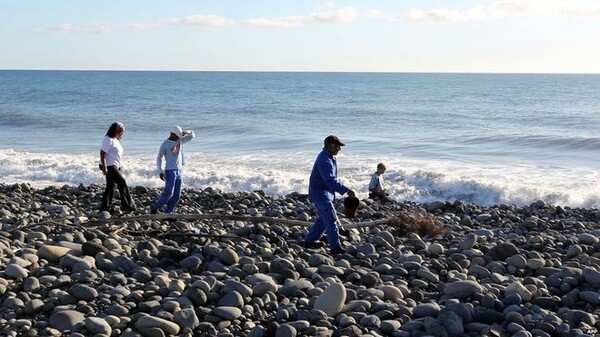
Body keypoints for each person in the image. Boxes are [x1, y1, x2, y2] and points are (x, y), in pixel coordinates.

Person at [304, 135, 355, 255]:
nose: (339, 149)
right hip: (320, 194)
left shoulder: (329, 157)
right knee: (331, 218)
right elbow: (330, 180)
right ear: (329, 145)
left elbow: (330, 180)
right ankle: (335, 247)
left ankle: (309, 241)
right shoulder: (325, 159)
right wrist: (346, 190)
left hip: (323, 193)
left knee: (323, 219)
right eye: (337, 146)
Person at [150, 125, 195, 214]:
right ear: (172, 134)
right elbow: (159, 158)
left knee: (177, 195)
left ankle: (168, 212)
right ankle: (155, 206)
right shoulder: (165, 144)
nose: (178, 138)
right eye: (177, 136)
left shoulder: (180, 140)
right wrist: (160, 171)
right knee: (168, 193)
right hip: (170, 171)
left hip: (179, 170)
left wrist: (185, 132)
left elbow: (192, 136)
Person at [99, 122, 136, 213]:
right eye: (121, 131)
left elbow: (116, 155)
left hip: (114, 165)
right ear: (116, 130)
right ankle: (126, 205)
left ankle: (105, 207)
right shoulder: (108, 139)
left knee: (110, 186)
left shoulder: (115, 140)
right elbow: (102, 153)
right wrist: (105, 167)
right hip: (108, 165)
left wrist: (119, 166)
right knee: (122, 181)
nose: (122, 133)